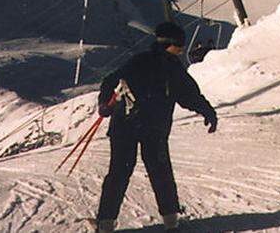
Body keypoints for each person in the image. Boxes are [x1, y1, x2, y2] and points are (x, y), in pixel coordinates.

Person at [93, 22, 218, 232]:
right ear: (169, 44)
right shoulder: (172, 68)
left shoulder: (141, 61)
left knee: (119, 172)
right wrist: (208, 112)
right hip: (149, 128)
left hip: (125, 126)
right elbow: (190, 96)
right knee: (160, 171)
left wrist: (104, 104)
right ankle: (171, 223)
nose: (181, 51)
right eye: (179, 46)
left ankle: (106, 224)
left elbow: (109, 82)